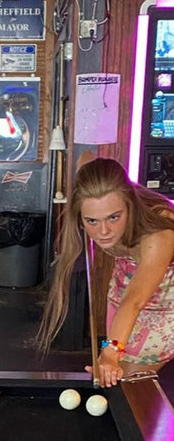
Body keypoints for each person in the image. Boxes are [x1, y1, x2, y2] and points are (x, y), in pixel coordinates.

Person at [38, 157, 174, 387]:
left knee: (129, 376)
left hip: (165, 297)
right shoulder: (95, 200)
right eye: (92, 221)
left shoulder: (158, 232)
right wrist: (110, 353)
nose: (103, 231)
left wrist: (110, 355)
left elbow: (135, 300)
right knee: (114, 354)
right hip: (126, 279)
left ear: (130, 204)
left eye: (114, 217)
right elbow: (85, 158)